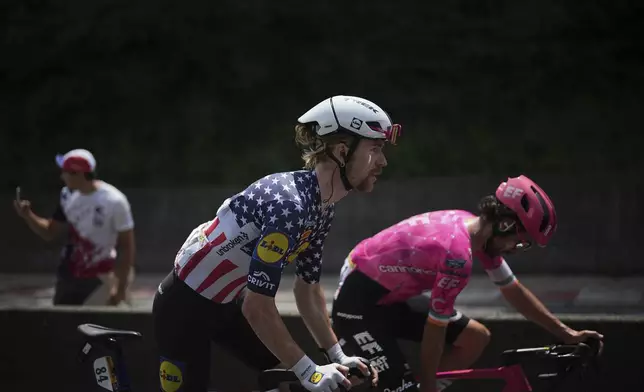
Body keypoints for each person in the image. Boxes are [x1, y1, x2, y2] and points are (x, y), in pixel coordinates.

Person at [152, 95, 403, 392]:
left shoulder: (322, 205)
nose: (383, 161)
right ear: (342, 151)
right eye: (375, 149)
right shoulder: (290, 205)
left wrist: (337, 355)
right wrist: (311, 373)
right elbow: (258, 306)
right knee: (300, 372)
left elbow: (307, 289)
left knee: (285, 378)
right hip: (184, 308)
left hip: (229, 305)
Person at [330, 175, 604, 392]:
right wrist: (426, 387)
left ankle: (411, 384)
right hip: (356, 306)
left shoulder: (473, 229)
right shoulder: (457, 257)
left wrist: (567, 333)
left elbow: (512, 290)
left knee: (475, 338)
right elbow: (434, 331)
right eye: (521, 240)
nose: (518, 248)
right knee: (402, 385)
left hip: (390, 297)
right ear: (505, 225)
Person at [13, 148, 136, 306]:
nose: (62, 176)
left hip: (100, 276)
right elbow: (50, 232)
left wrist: (120, 288)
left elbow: (126, 247)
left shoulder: (114, 201)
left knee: (96, 325)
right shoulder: (67, 196)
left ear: (79, 174)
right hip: (69, 274)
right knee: (61, 324)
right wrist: (28, 215)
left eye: (66, 172)